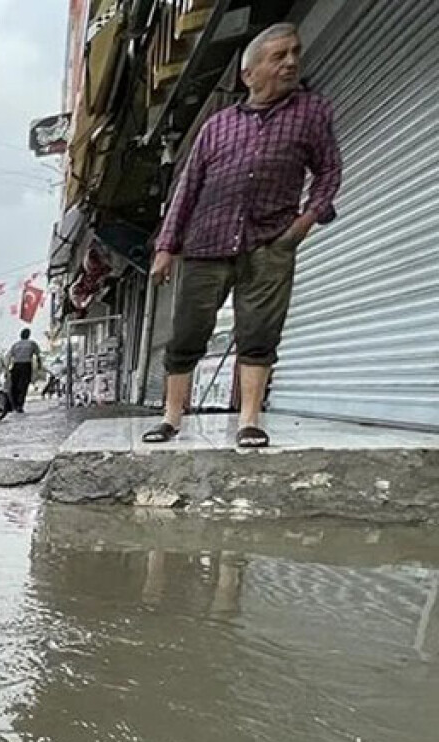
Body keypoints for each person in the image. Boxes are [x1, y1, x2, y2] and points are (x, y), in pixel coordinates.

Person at [143, 22, 342, 449]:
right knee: (187, 332)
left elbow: (329, 171)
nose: (290, 62)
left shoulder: (311, 112)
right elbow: (188, 187)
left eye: (294, 54)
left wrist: (305, 222)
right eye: (278, 56)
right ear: (248, 73)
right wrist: (165, 247)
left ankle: (250, 420)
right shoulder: (216, 126)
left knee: (260, 332)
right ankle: (171, 418)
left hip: (271, 241)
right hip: (207, 242)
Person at [0, 328, 42, 414]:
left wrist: (7, 369)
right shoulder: (32, 344)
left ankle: (14, 404)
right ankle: (19, 405)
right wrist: (39, 365)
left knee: (14, 386)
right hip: (26, 366)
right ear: (28, 335)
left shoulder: (15, 345)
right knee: (23, 386)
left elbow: (8, 357)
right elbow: (38, 355)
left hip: (16, 366)